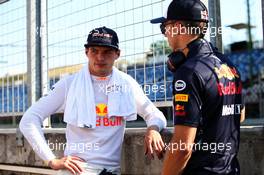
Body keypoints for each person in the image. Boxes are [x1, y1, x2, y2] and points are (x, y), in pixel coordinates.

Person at [19, 26, 167, 175]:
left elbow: (155, 114)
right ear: (86, 52)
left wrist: (153, 129)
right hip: (77, 171)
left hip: (111, 171)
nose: (100, 57)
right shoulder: (69, 84)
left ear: (117, 54)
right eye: (94, 51)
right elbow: (28, 120)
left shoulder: (126, 84)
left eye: (107, 52)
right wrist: (51, 160)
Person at [151, 0, 245, 175]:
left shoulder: (188, 72)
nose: (165, 34)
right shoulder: (227, 64)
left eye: (165, 27)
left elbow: (182, 148)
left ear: (178, 26)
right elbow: (240, 115)